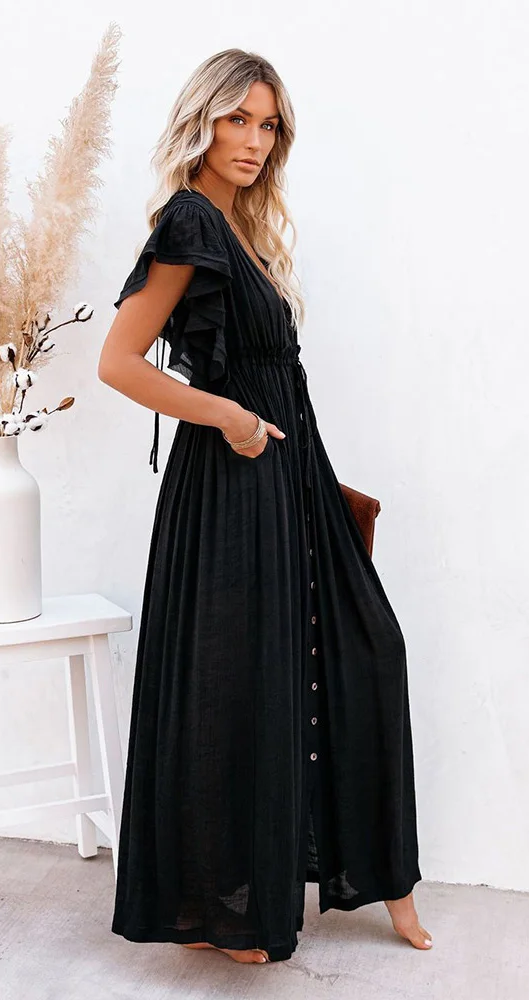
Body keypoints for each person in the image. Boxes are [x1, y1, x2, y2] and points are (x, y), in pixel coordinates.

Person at [98, 48, 432, 965]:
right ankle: (225, 909)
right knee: (237, 684)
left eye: (269, 124)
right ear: (201, 121)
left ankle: (367, 882)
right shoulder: (190, 221)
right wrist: (231, 419)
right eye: (237, 119)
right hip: (231, 486)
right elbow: (117, 362)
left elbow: (280, 379)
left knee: (368, 647)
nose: (253, 140)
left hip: (289, 481)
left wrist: (317, 485)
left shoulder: (241, 227)